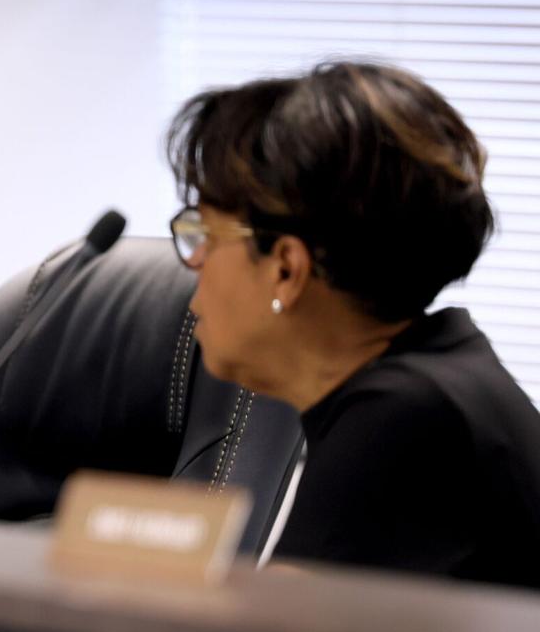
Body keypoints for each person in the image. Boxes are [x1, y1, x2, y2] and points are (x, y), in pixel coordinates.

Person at [166, 60, 540, 587]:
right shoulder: (439, 377)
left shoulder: (404, 421)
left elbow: (278, 628)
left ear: (286, 268)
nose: (196, 260)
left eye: (206, 233)